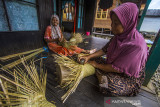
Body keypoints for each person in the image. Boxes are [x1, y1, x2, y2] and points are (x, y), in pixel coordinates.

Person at [79, 2, 148, 96]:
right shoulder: (119, 36)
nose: (112, 26)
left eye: (116, 23)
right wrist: (88, 56)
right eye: (112, 22)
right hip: (113, 65)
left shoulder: (137, 46)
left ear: (128, 23)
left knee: (107, 86)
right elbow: (104, 50)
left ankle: (100, 72)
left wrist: (97, 65)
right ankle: (101, 71)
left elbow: (119, 69)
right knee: (90, 59)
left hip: (127, 77)